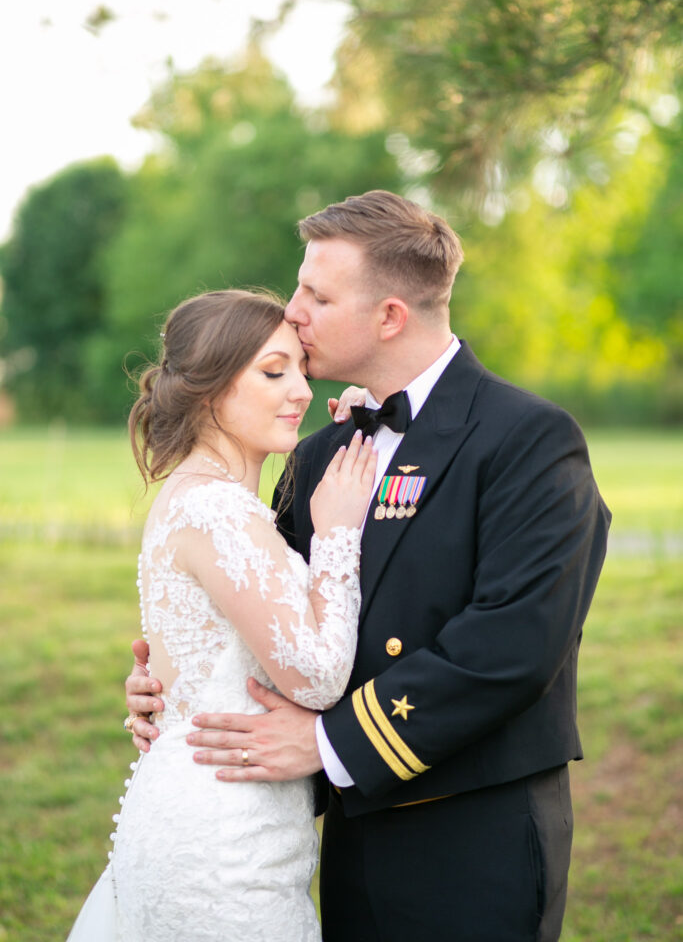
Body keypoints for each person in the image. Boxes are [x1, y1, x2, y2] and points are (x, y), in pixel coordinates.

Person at [126, 191, 611, 942]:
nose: (293, 311)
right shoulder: (316, 454)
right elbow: (270, 613)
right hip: (345, 838)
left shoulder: (527, 440)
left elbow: (515, 645)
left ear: (388, 317)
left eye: (317, 295)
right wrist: (174, 683)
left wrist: (331, 744)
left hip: (468, 836)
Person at [67, 288, 377, 942]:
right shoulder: (217, 510)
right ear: (209, 389)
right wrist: (338, 535)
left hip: (214, 805)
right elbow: (317, 678)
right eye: (273, 371)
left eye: (301, 369)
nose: (298, 390)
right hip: (221, 840)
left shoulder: (196, 496)